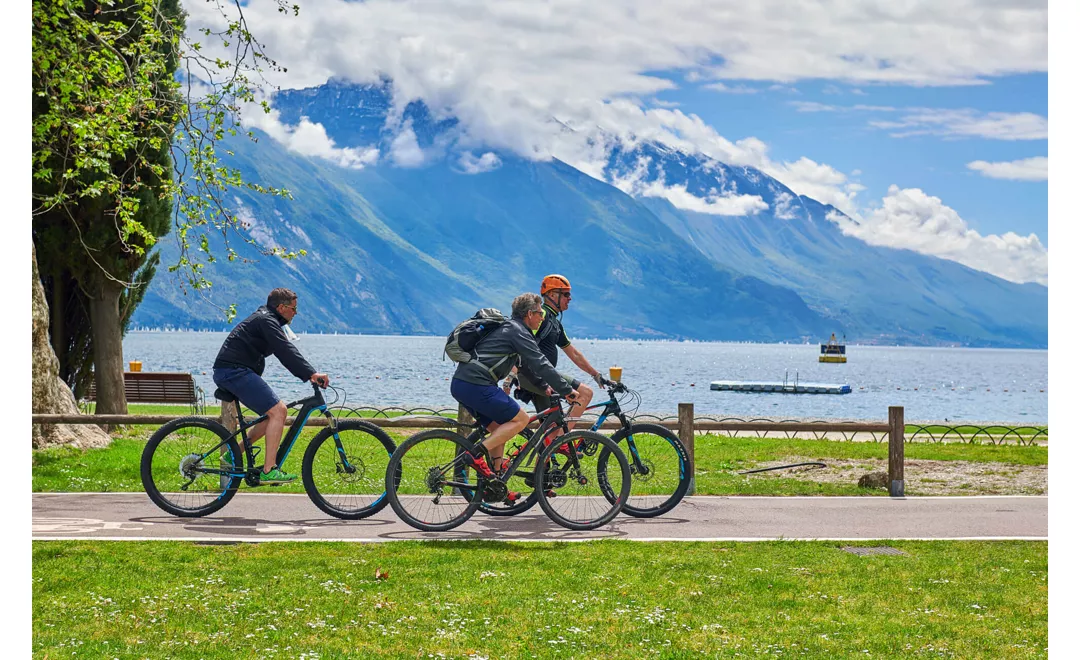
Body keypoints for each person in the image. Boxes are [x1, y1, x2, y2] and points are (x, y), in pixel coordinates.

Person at [451, 292, 577, 502]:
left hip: (465, 384)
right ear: (529, 314)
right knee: (521, 419)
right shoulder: (517, 331)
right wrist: (567, 390)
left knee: (499, 430)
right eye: (539, 313)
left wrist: (544, 386)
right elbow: (540, 363)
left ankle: (495, 483)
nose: (542, 317)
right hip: (475, 384)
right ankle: (473, 455)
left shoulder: (512, 329)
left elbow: (526, 365)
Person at [212, 288, 329, 483]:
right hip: (233, 371)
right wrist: (311, 374)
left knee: (271, 415)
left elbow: (283, 351)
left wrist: (306, 372)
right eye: (293, 308)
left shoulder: (268, 320)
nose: (295, 313)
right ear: (281, 307)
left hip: (233, 371)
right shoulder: (266, 320)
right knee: (279, 411)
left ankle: (234, 453)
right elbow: (285, 350)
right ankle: (269, 470)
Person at [508, 274, 605, 439]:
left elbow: (573, 353)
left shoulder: (554, 322)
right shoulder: (541, 315)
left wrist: (595, 374)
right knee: (585, 393)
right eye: (566, 294)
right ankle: (562, 442)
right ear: (552, 295)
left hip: (541, 376)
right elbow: (520, 343)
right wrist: (512, 374)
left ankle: (548, 454)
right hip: (536, 375)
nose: (570, 298)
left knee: (549, 431)